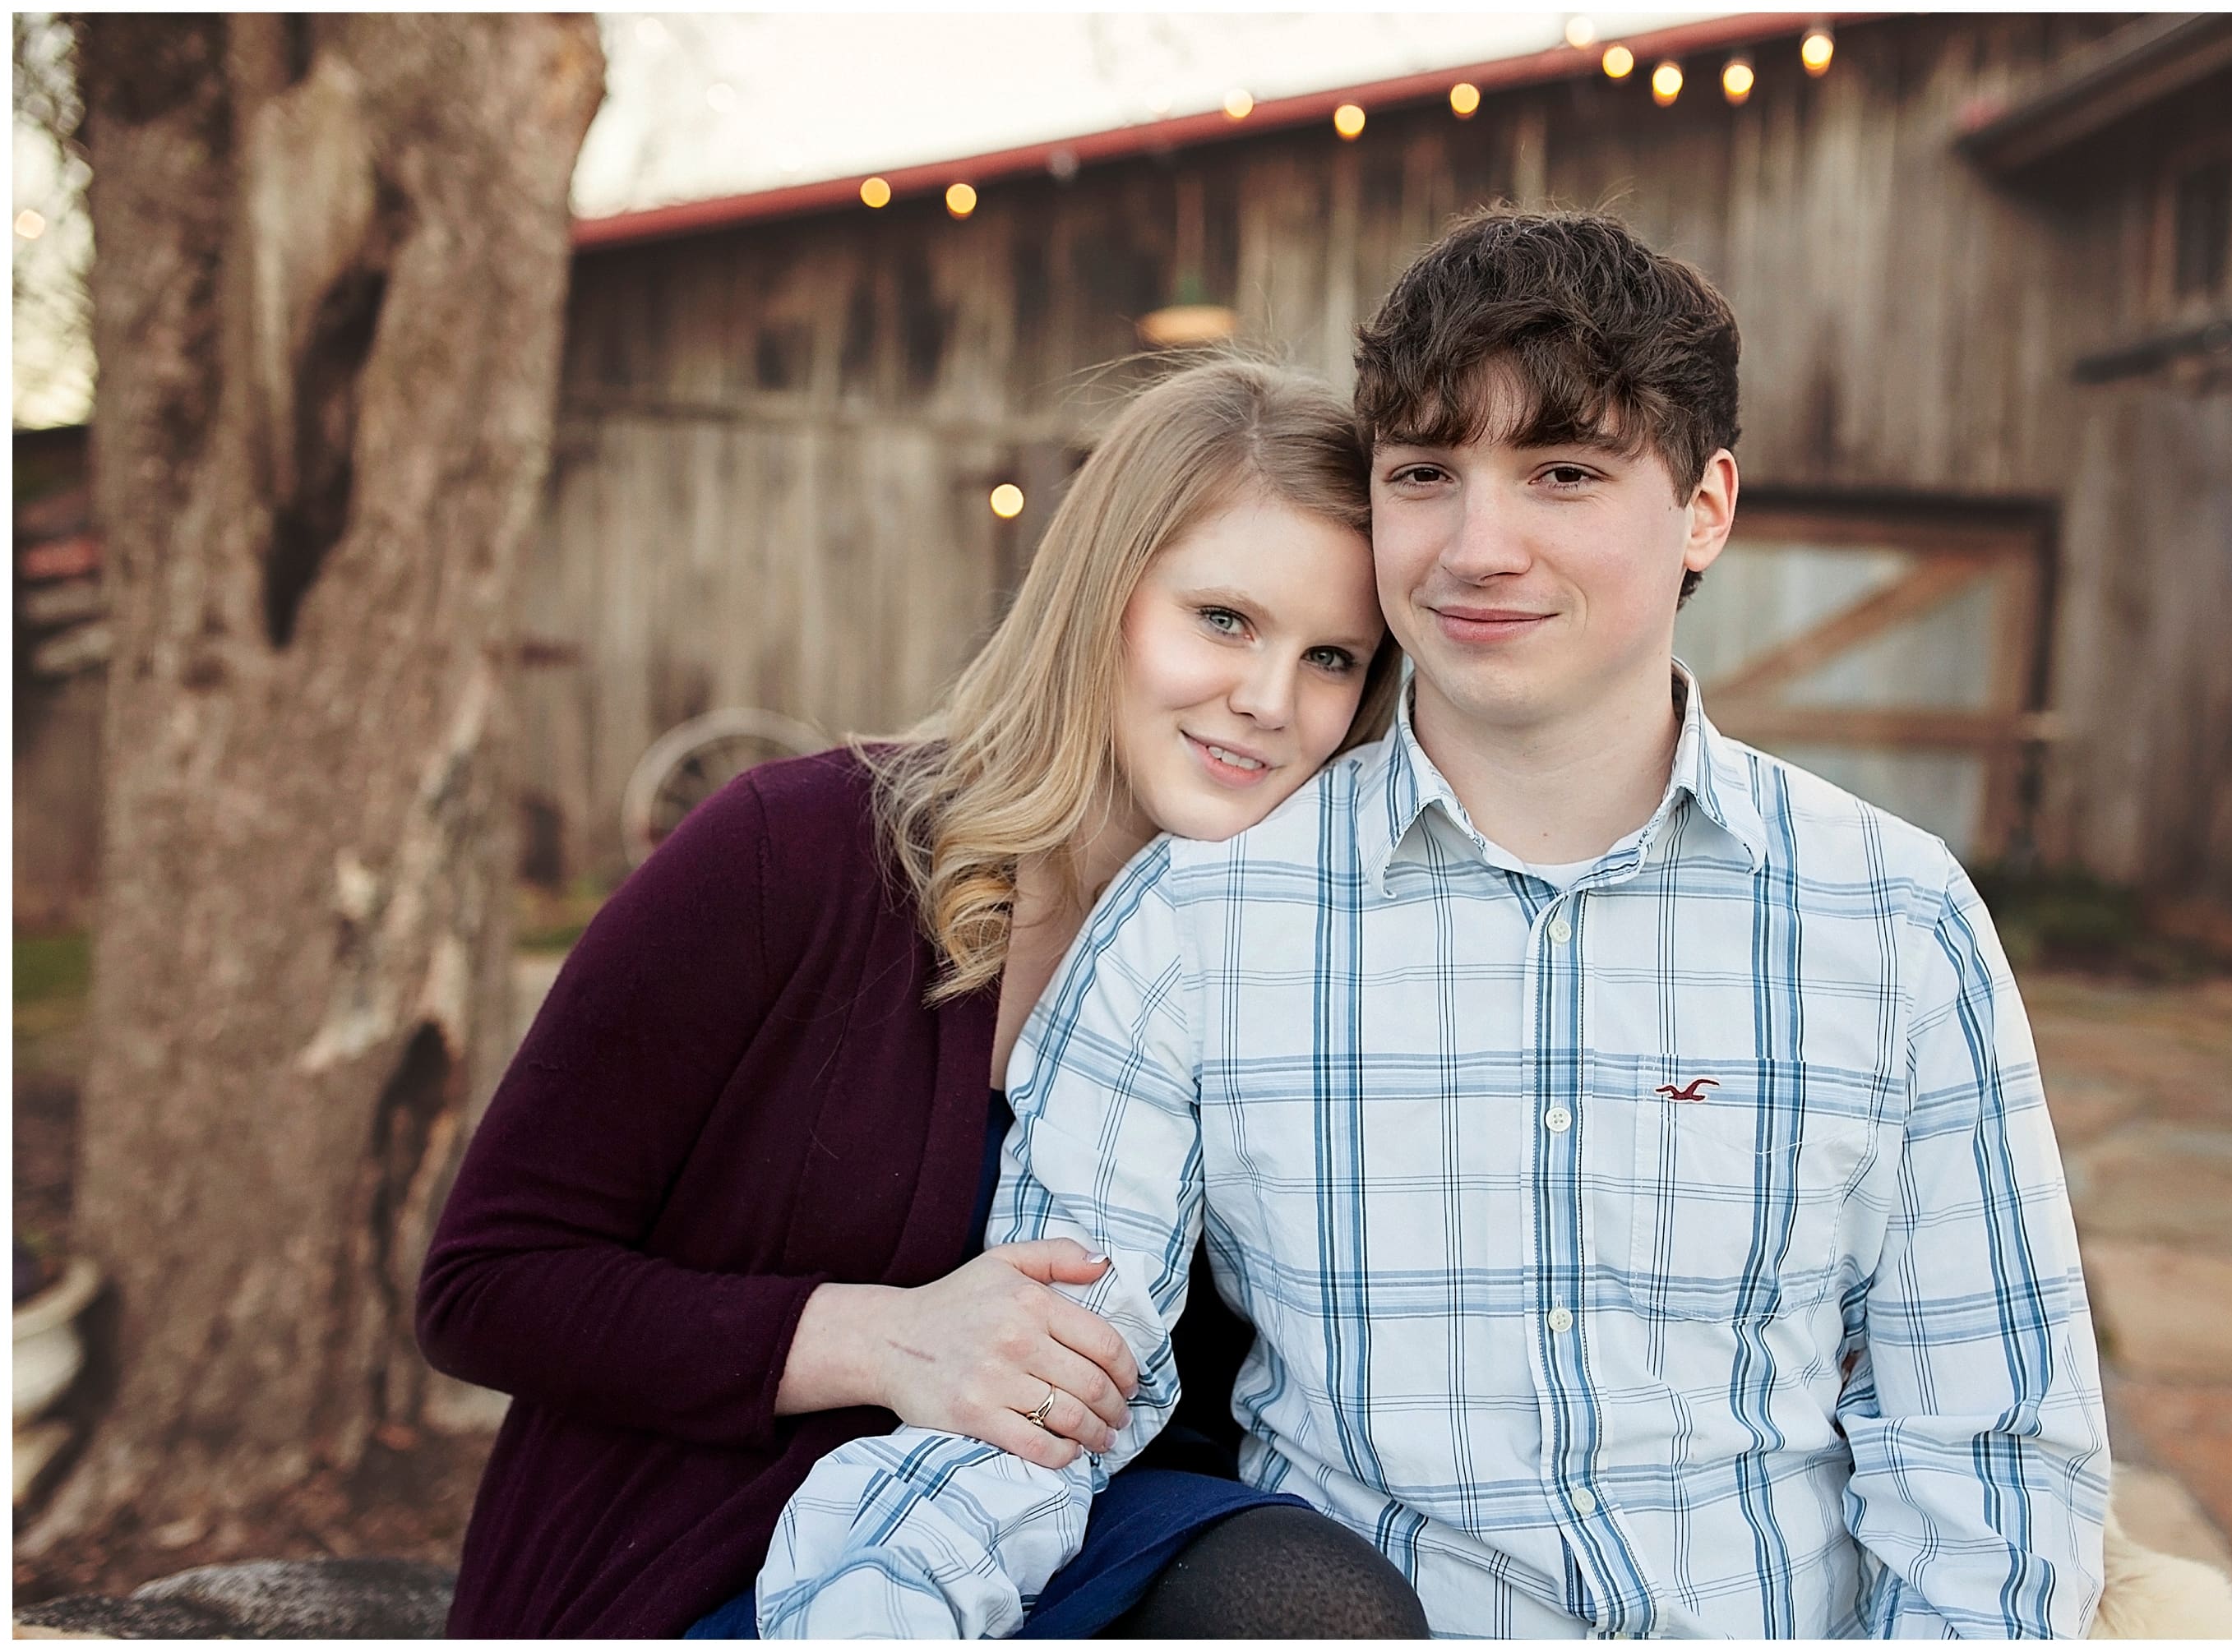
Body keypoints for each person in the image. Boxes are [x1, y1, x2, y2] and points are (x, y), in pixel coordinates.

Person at [758, 209, 2110, 1639]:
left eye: (1564, 473)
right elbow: (1034, 1411)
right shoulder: (1204, 919)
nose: (1478, 546)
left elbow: (1994, 1454)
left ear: (1705, 506)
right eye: (1424, 475)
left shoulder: (1892, 918)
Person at [415, 359, 1432, 1638]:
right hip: (700, 1559)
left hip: (1051, 1540)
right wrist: (883, 1340)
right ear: (1101, 597)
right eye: (1224, 619)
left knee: (1310, 1609)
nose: (1271, 701)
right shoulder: (794, 854)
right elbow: (486, 1283)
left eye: (1331, 656)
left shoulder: (1273, 972)